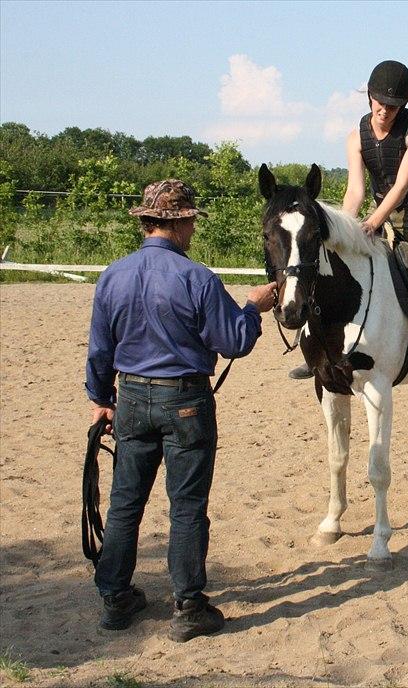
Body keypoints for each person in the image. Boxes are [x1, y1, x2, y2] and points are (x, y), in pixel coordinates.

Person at [85, 179, 276, 642]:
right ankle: (189, 606)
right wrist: (253, 308)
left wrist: (100, 400)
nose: (192, 229)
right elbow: (233, 341)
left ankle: (115, 598)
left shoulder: (113, 274)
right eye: (190, 221)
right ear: (181, 222)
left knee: (124, 501)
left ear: (147, 222)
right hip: (185, 401)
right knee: (187, 505)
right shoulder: (198, 278)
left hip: (129, 397)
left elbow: (99, 349)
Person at [290, 60, 408, 403]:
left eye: (393, 107)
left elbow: (402, 187)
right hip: (376, 214)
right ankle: (317, 354)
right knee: (327, 271)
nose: (385, 112)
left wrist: (374, 222)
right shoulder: (355, 137)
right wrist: (343, 228)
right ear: (369, 97)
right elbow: (356, 191)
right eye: (380, 104)